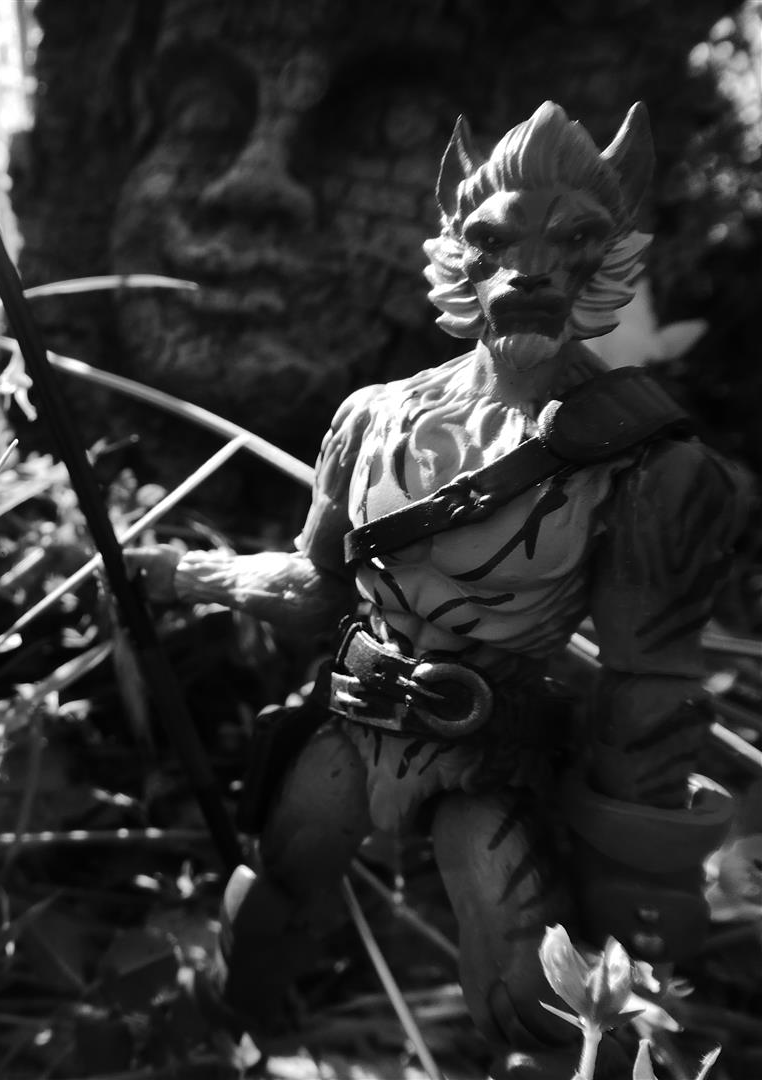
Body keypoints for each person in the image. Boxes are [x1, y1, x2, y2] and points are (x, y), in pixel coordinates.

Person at [129, 101, 752, 1079]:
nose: (530, 270)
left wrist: (636, 862)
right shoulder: (373, 418)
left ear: (608, 253)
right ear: (460, 252)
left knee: (524, 981)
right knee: (268, 898)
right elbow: (317, 584)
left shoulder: (650, 466)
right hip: (350, 720)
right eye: (497, 241)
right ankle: (213, 1048)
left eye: (571, 240)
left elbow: (650, 683)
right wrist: (188, 574)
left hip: (490, 756)